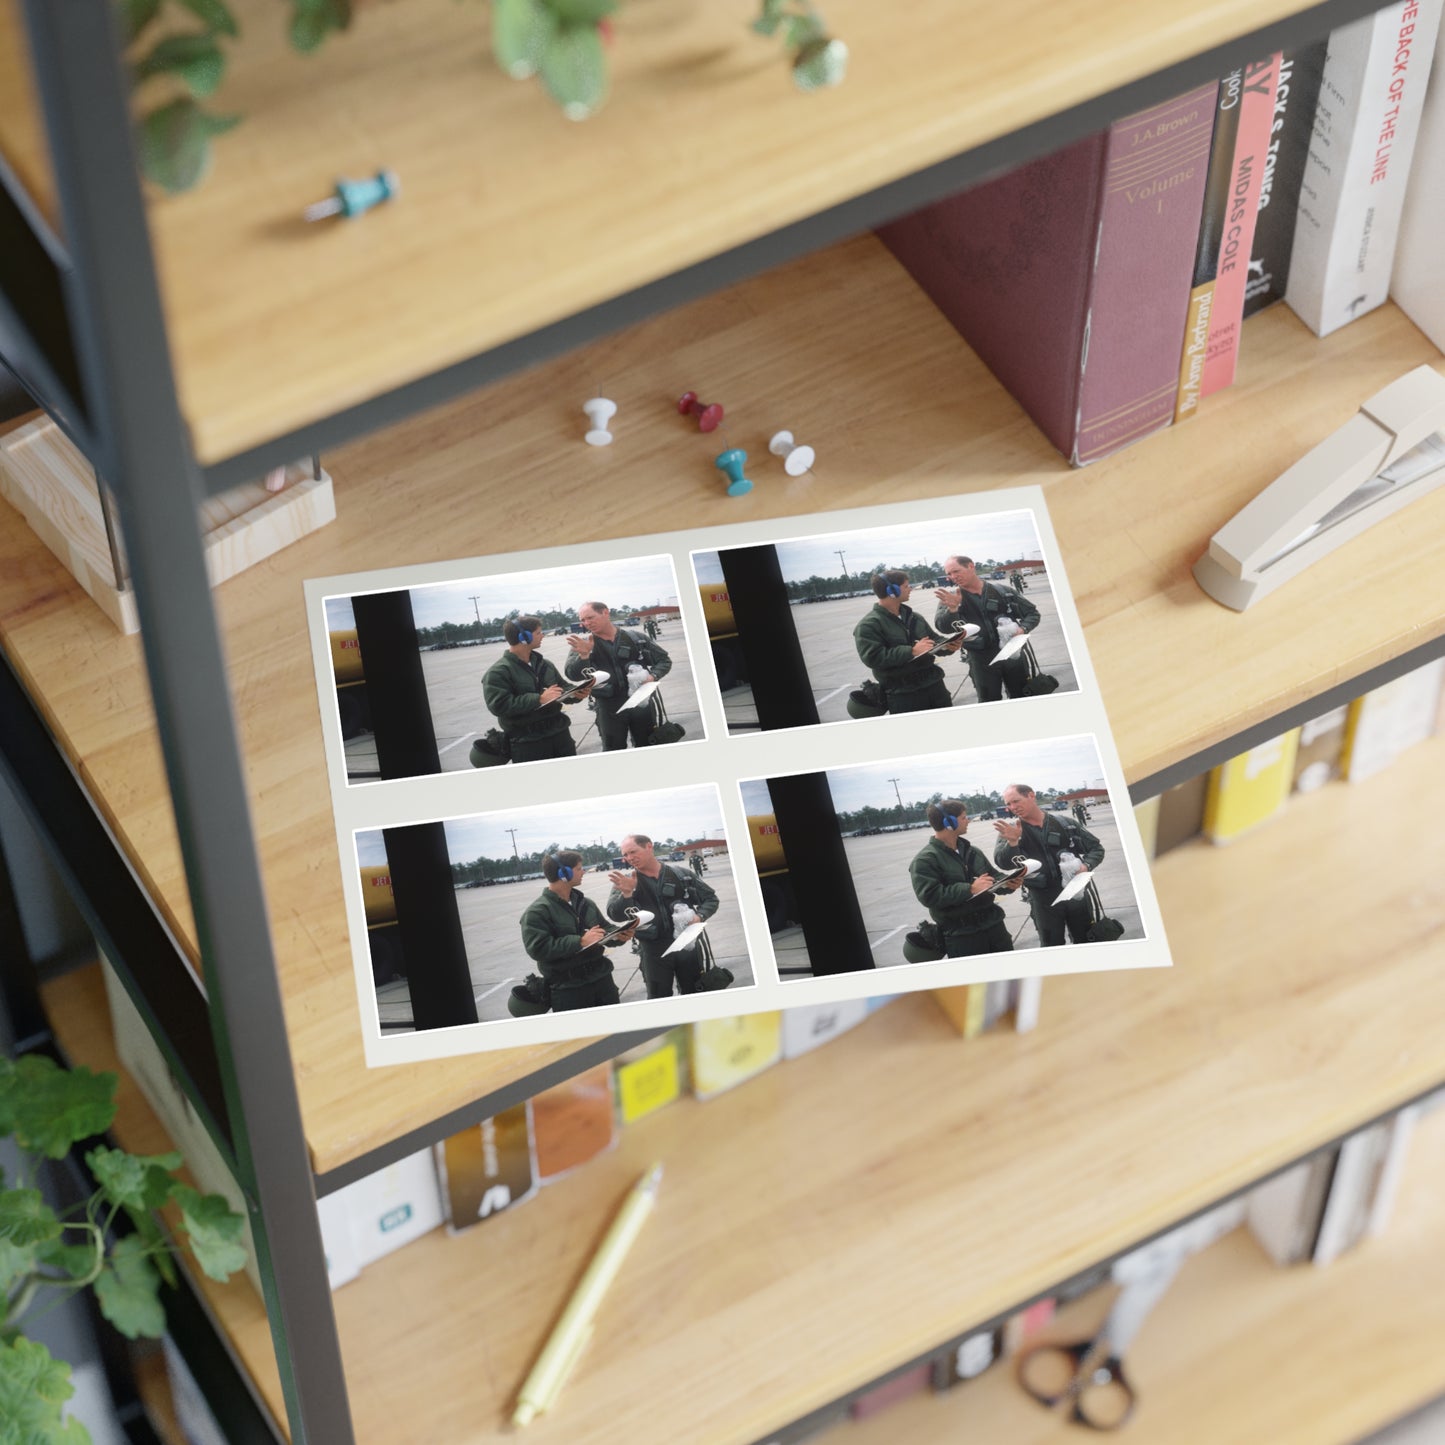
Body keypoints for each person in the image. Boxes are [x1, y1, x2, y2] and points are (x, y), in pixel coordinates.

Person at [519, 851, 637, 1011]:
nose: (584, 872)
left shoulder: (585, 903)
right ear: (564, 873)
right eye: (579, 868)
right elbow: (538, 949)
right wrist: (580, 942)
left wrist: (620, 934)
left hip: (602, 982)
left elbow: (604, 928)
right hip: (569, 991)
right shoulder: (537, 912)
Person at [992, 783, 1106, 948]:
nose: (1012, 807)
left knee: (1086, 941)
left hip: (1076, 894)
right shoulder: (1012, 831)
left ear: (1031, 795)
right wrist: (1012, 842)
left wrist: (1086, 866)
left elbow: (1096, 848)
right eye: (1008, 804)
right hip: (1043, 900)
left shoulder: (1065, 824)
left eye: (1016, 801)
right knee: (1052, 945)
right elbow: (1002, 862)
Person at [607, 833, 719, 997]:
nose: (629, 858)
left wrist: (699, 916)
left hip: (686, 945)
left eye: (633, 852)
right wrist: (627, 894)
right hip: (653, 951)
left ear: (649, 846)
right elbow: (614, 914)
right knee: (659, 996)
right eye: (625, 855)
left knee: (695, 992)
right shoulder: (626, 881)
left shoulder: (681, 875)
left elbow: (711, 899)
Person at [909, 800, 1015, 957]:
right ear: (949, 822)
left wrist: (1009, 882)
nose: (968, 820)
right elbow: (929, 896)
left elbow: (992, 875)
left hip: (995, 929)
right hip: (962, 937)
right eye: (964, 817)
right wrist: (970, 889)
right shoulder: (925, 860)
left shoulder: (972, 851)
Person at [563, 601, 673, 751]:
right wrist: (584, 655)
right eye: (583, 620)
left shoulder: (635, 638)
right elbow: (572, 675)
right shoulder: (584, 645)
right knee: (613, 749)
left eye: (590, 617)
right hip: (608, 708)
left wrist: (653, 676)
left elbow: (664, 660)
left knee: (648, 745)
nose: (586, 623)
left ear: (605, 613)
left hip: (641, 702)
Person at [481, 616, 592, 762]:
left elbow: (562, 686)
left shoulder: (545, 664)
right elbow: (499, 705)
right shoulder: (498, 672)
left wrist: (577, 693)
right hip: (528, 743)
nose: (543, 635)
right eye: (539, 633)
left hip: (560, 736)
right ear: (524, 637)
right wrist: (538, 699)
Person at [934, 554, 1042, 703]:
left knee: (1023, 696)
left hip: (1013, 655)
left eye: (956, 571)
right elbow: (943, 627)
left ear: (971, 566)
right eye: (949, 574)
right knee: (989, 701)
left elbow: (1032, 613)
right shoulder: (951, 598)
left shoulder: (1002, 591)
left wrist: (1023, 629)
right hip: (981, 660)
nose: (953, 577)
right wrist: (953, 609)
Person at [852, 570, 959, 714]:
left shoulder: (914, 617)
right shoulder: (869, 625)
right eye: (906, 586)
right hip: (903, 695)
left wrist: (949, 645)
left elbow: (934, 639)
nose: (911, 589)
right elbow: (873, 658)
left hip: (935, 687)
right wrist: (911, 651)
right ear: (892, 590)